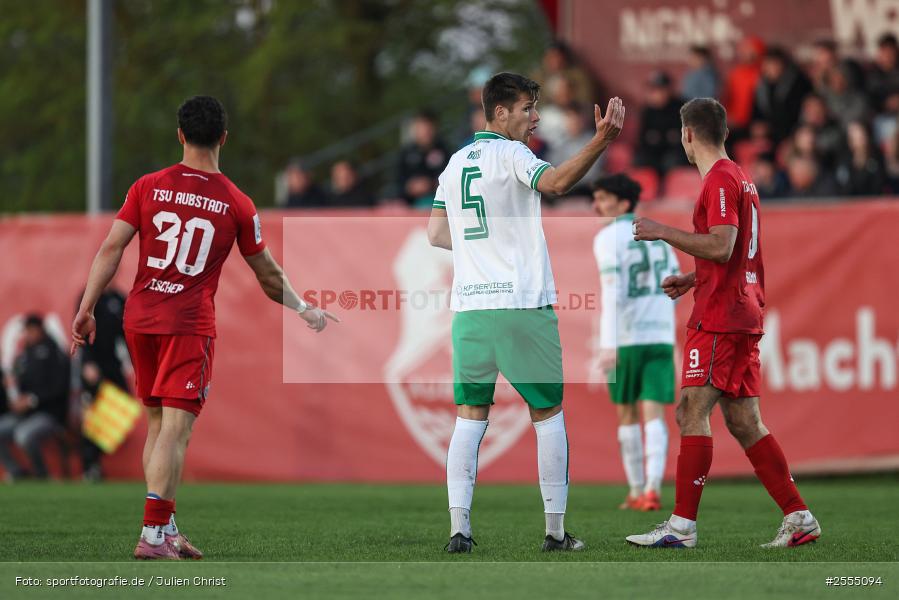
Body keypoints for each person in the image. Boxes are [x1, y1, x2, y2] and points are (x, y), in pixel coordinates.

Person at [71, 96, 338, 560]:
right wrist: (303, 308)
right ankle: (153, 534)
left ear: (180, 135)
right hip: (187, 324)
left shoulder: (147, 187)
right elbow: (268, 275)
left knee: (157, 424)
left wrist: (87, 306)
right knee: (177, 428)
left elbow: (112, 247)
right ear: (223, 138)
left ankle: (165, 527)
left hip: (140, 319)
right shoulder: (236, 202)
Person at [427, 72, 625, 553]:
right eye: (527, 109)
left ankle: (459, 530)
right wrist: (600, 141)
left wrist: (481, 251)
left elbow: (435, 234)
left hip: (471, 309)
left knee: (469, 417)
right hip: (520, 303)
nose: (535, 118)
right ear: (499, 113)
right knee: (548, 414)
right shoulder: (513, 154)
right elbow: (556, 183)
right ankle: (555, 533)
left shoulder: (453, 165)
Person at [628, 98, 821, 548]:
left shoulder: (718, 179)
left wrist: (661, 231)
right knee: (744, 420)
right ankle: (799, 517)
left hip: (722, 315)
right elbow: (736, 253)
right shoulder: (742, 177)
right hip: (740, 306)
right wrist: (695, 278)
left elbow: (720, 246)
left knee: (690, 410)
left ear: (688, 134)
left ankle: (680, 528)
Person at [592, 174, 678, 512]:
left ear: (623, 203)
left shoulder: (608, 237)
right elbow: (674, 287)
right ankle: (653, 489)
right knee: (654, 411)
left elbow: (612, 291)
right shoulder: (662, 238)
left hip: (626, 337)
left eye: (603, 198)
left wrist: (607, 342)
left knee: (627, 413)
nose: (596, 205)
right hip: (659, 333)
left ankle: (636, 488)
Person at [0, 314, 70, 481]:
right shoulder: (24, 354)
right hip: (25, 414)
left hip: (49, 414)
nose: (28, 334)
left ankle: (41, 475)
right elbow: (17, 385)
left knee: (23, 435)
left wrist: (32, 399)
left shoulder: (54, 352)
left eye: (31, 330)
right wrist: (12, 392)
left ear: (40, 330)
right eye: (26, 330)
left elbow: (59, 388)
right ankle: (17, 472)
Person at [74, 286, 129, 482]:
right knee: (92, 417)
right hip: (93, 363)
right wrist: (87, 362)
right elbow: (80, 329)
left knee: (123, 405)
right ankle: (90, 465)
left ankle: (97, 455)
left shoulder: (118, 298)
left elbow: (127, 332)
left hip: (112, 364)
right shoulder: (88, 295)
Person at [753, 47, 813, 144]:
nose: (768, 69)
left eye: (773, 64)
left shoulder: (798, 83)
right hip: (769, 132)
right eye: (766, 64)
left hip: (791, 132)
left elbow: (796, 115)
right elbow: (757, 111)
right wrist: (758, 125)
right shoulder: (763, 85)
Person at [635, 71, 688, 176]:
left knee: (671, 162)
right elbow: (642, 139)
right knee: (639, 161)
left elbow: (685, 139)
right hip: (653, 153)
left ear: (668, 90)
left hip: (675, 153)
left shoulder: (682, 107)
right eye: (653, 90)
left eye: (660, 90)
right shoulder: (648, 111)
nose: (656, 94)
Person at [397, 111, 449, 207]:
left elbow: (450, 180)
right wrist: (410, 187)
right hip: (410, 204)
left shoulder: (444, 151)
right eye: (421, 127)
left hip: (437, 202)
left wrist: (430, 184)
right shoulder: (406, 153)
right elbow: (398, 182)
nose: (425, 132)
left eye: (428, 128)